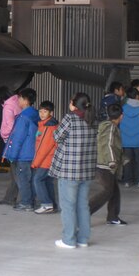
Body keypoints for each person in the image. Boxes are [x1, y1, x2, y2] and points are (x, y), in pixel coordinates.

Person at [49, 92, 97, 249]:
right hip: (87, 170)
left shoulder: (70, 119)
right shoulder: (92, 120)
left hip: (69, 171)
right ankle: (83, 239)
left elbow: (56, 137)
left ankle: (69, 240)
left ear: (73, 104)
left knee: (68, 206)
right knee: (83, 205)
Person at [89, 104, 126, 225]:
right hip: (105, 164)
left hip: (103, 162)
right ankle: (84, 213)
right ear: (121, 116)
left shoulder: (107, 125)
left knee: (114, 190)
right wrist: (112, 161)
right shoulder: (110, 128)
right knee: (107, 191)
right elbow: (109, 144)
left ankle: (113, 216)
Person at [4, 88, 40, 212]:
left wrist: (11, 155)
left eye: (19, 98)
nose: (18, 100)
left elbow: (18, 138)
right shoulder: (36, 114)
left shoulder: (23, 117)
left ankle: (26, 203)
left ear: (25, 100)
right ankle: (33, 201)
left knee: (23, 179)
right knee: (33, 179)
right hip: (34, 153)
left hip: (24, 154)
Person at [32, 101, 58, 214]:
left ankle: (46, 204)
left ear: (51, 112)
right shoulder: (45, 124)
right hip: (49, 159)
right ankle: (52, 205)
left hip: (46, 160)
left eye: (45, 111)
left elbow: (43, 148)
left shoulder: (48, 127)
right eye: (40, 111)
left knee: (37, 179)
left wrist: (35, 163)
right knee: (47, 182)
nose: (42, 114)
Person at [0, 88, 23, 205]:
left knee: (16, 173)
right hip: (20, 140)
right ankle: (9, 198)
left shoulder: (7, 107)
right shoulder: (17, 101)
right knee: (15, 173)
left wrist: (3, 134)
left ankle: (24, 200)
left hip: (12, 142)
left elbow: (10, 125)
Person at [120, 87, 139, 188]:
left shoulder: (122, 108)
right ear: (137, 96)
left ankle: (127, 181)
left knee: (127, 161)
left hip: (125, 139)